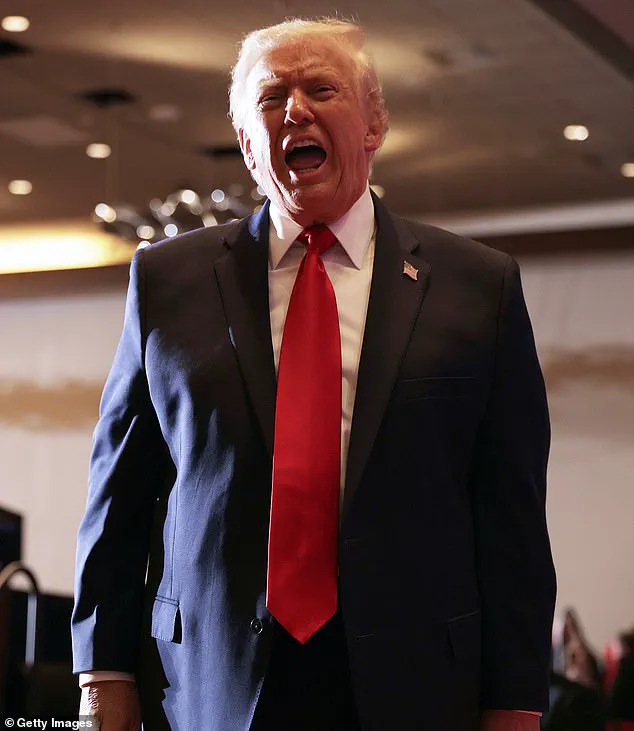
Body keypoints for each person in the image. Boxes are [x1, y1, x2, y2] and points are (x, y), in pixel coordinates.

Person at [71, 17, 557, 731]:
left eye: (322, 89)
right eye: (271, 98)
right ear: (247, 145)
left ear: (374, 123)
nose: (295, 110)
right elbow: (119, 494)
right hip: (208, 681)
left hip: (415, 684)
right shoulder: (167, 282)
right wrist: (102, 675)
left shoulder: (480, 288)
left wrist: (514, 701)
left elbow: (511, 518)